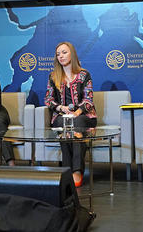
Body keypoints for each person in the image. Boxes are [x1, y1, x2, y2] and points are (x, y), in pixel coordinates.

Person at [44, 41, 97, 187]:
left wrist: (77, 112)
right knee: (64, 125)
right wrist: (61, 108)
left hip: (84, 116)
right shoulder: (53, 76)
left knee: (76, 123)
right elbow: (48, 99)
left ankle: (77, 171)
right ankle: (68, 170)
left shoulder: (84, 75)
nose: (61, 56)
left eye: (64, 52)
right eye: (58, 54)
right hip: (62, 116)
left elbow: (88, 99)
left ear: (72, 54)